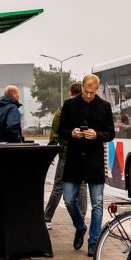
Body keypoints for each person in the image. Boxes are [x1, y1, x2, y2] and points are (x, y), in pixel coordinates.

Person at [57, 73, 115, 257]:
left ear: (97, 89)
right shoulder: (69, 105)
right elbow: (61, 130)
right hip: (74, 160)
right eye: (86, 91)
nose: (89, 95)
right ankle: (80, 226)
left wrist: (97, 135)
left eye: (92, 92)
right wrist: (72, 134)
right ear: (81, 87)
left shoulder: (104, 106)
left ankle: (94, 241)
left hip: (94, 161)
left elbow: (110, 133)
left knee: (97, 203)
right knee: (68, 199)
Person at [44, 82, 89, 229]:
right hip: (83, 154)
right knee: (82, 186)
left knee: (58, 186)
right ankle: (81, 218)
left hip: (66, 154)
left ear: (70, 93)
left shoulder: (62, 111)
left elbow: (55, 134)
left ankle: (47, 218)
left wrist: (50, 153)